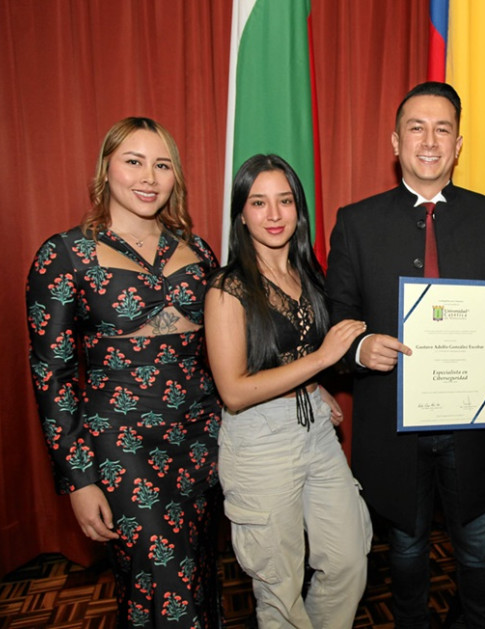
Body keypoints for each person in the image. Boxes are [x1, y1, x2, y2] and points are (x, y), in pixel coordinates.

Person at [325, 81, 485, 629]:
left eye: (443, 129)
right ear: (395, 141)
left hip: (477, 423)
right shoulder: (356, 222)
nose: (430, 140)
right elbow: (335, 314)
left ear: (459, 144)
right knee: (408, 553)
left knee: (481, 551)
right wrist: (362, 347)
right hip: (392, 425)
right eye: (417, 127)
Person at [26, 117, 222, 627]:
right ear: (106, 169)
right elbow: (52, 374)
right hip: (122, 443)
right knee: (160, 581)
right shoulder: (64, 254)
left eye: (162, 165)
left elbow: (226, 347)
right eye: (134, 161)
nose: (149, 177)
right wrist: (79, 480)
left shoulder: (199, 252)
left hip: (202, 438)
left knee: (198, 574)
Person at [204, 154, 372, 628]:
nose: (274, 214)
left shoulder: (309, 276)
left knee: (348, 560)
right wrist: (319, 361)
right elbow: (234, 391)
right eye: (259, 202)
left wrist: (315, 386)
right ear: (241, 212)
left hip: (315, 431)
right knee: (279, 586)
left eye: (285, 201)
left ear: (299, 210)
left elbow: (285, 352)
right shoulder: (226, 288)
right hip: (257, 441)